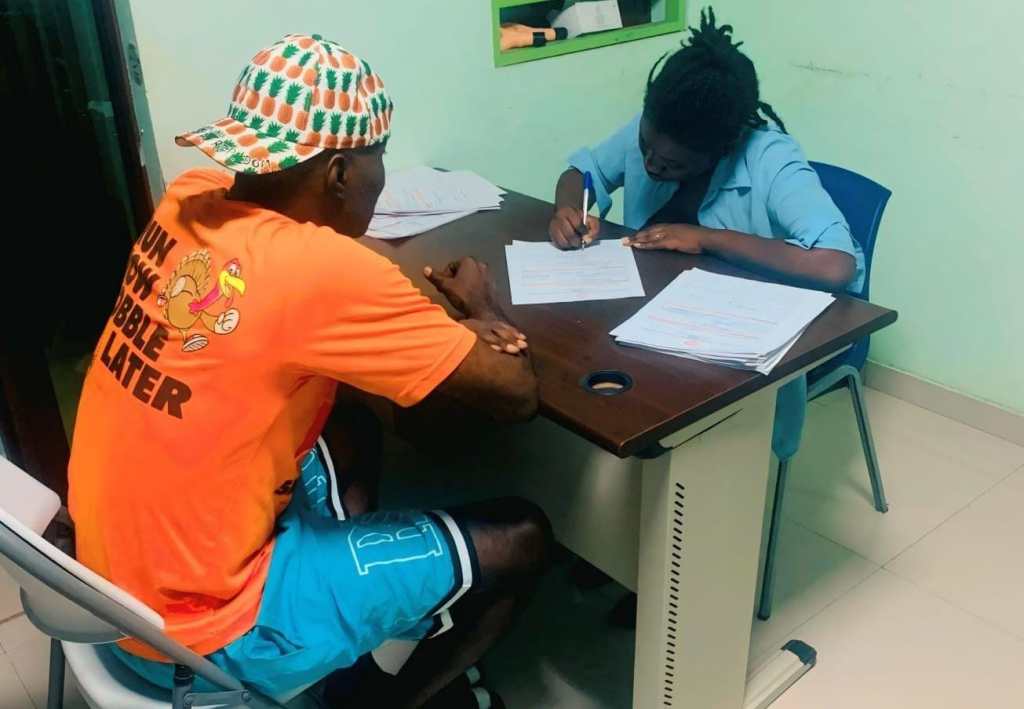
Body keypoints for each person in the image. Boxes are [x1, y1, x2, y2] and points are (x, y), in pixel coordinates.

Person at [68, 34, 551, 708]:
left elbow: (325, 265)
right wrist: (481, 306)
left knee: (351, 423)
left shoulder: (189, 198)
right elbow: (517, 394)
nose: (383, 176)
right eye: (380, 156)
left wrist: (387, 285)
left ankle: (356, 625)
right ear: (340, 174)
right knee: (523, 538)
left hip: (106, 592)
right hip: (199, 640)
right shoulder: (320, 272)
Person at [548, 8, 864, 470]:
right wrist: (568, 209)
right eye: (645, 148)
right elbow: (583, 171)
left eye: (672, 164)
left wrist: (707, 238)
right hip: (641, 327)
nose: (651, 164)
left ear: (722, 149)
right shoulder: (659, 124)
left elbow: (835, 262)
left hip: (734, 354)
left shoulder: (770, 158)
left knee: (686, 451)